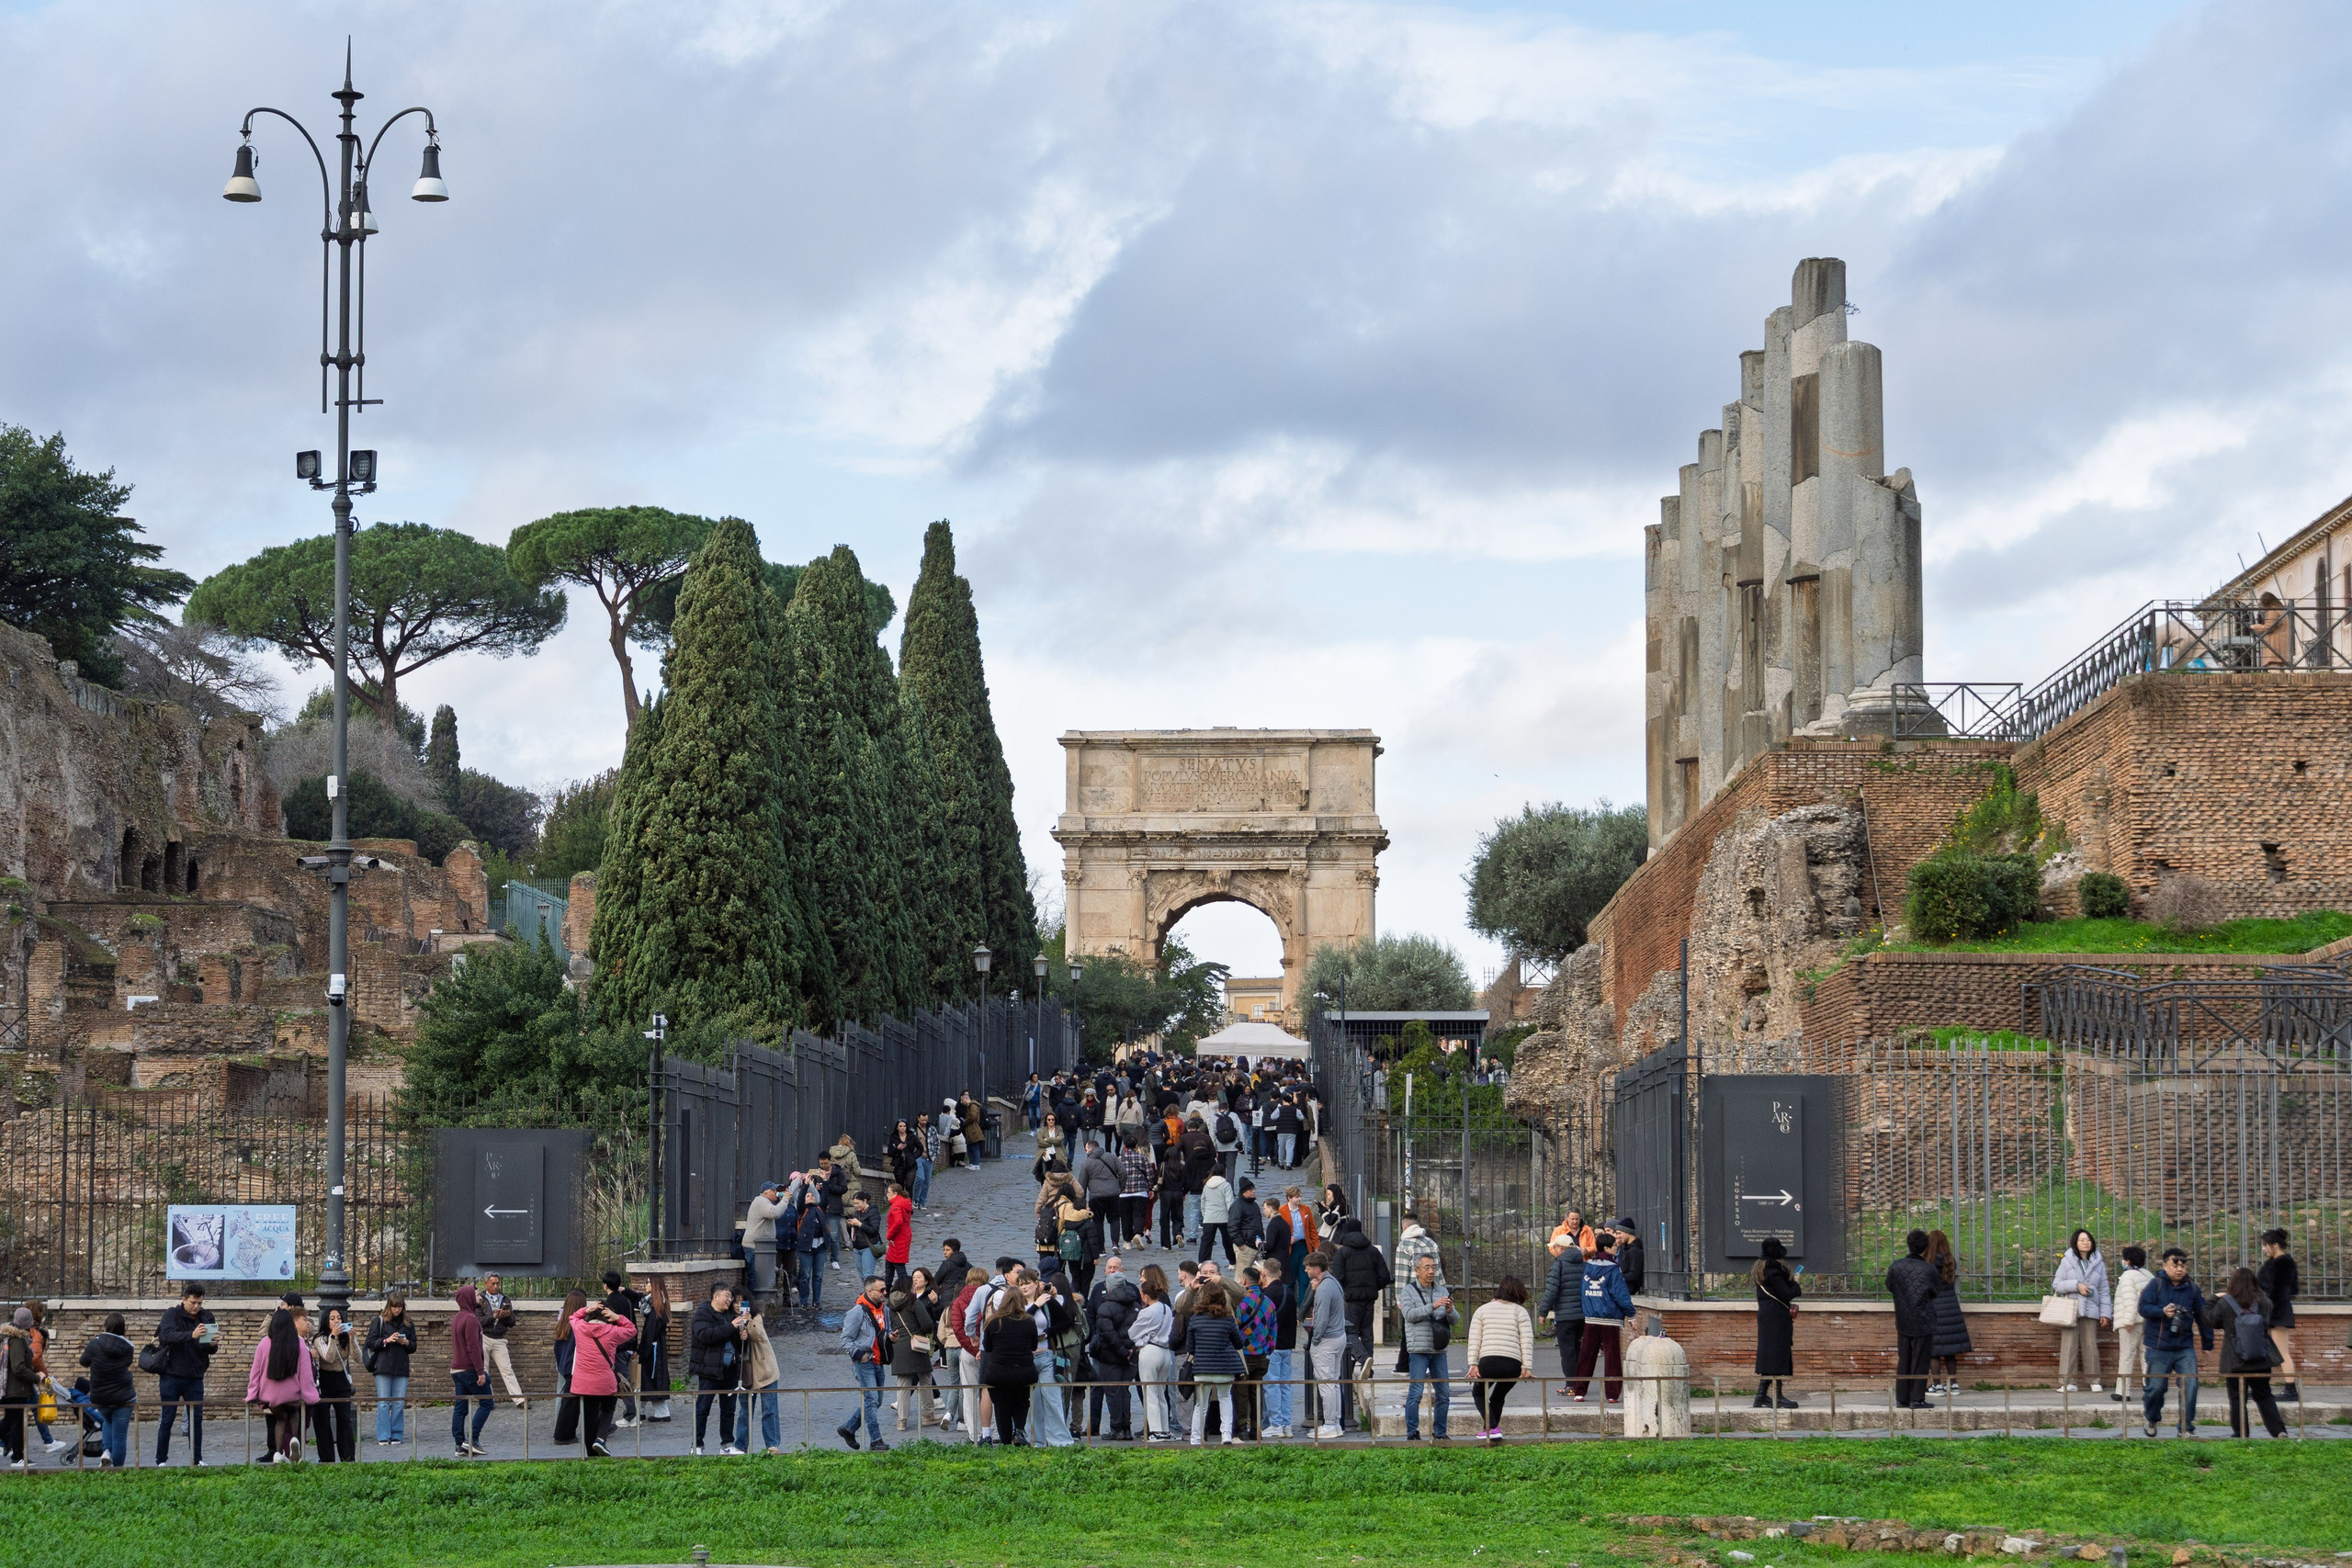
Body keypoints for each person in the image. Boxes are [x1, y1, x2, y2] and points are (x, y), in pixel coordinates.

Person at [2207, 1265, 2287, 1439]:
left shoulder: (2225, 1303)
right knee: (2264, 1395)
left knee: (2237, 1398)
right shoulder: (2264, 1301)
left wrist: (2212, 1298)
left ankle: (2241, 1433)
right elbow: (2266, 1322)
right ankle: (2279, 1431)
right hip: (2261, 1357)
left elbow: (2211, 1319)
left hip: (2234, 1359)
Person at [2139, 1247, 2212, 1437]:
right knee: (2155, 1388)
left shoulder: (2192, 1289)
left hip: (2184, 1347)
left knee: (2190, 1385)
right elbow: (2143, 1308)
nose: (2180, 1268)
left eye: (2183, 1264)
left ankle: (2186, 1428)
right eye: (2175, 1264)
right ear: (2165, 1265)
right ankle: (2152, 1418)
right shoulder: (2155, 1284)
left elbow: (2203, 1316)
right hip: (2158, 1346)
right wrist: (2162, 1312)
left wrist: (2208, 1343)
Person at [154, 1281, 220, 1466]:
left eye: (199, 1303)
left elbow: (208, 1349)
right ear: (184, 1299)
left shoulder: (206, 1316)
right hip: (171, 1375)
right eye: (193, 1303)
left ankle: (197, 1460)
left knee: (196, 1420)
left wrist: (213, 1344)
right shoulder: (171, 1314)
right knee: (167, 1418)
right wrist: (191, 1335)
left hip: (195, 1376)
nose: (196, 1307)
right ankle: (161, 1461)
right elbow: (166, 1336)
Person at [246, 1297, 318, 1464]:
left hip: (270, 1396)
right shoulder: (299, 1343)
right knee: (293, 1413)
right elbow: (306, 1373)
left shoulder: (264, 1343)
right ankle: (295, 1440)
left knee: (280, 1418)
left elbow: (255, 1372)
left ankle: (278, 1453)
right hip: (292, 1393)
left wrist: (252, 1394)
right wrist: (310, 1395)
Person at [1468, 1275, 1535, 1446]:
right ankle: (1491, 1430)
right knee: (1499, 1395)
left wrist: (1473, 1364)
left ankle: (1491, 1427)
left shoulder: (1482, 1310)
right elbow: (1526, 1340)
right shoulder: (1520, 1312)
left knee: (1478, 1393)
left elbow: (1475, 1339)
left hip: (1487, 1363)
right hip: (1512, 1365)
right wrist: (1526, 1366)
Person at [568, 1300, 639, 1458]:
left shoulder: (579, 1328)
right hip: (605, 1382)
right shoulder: (613, 1331)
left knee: (588, 1417)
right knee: (608, 1407)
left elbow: (572, 1317)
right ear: (607, 1317)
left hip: (583, 1383)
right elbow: (632, 1329)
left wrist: (586, 1309)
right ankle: (600, 1439)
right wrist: (618, 1317)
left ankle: (591, 1455)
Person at [1572, 1233, 1634, 1404]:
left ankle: (1579, 1391)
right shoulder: (1613, 1268)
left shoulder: (1588, 1267)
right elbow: (1620, 1294)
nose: (1617, 1246)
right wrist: (1631, 1313)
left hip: (1591, 1318)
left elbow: (1582, 1292)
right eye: (1614, 1245)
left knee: (1586, 1355)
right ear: (1607, 1248)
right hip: (1610, 1319)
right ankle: (1612, 1394)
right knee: (1612, 1357)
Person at [980, 1273, 1041, 1446]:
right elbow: (1034, 1346)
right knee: (1022, 1401)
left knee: (1001, 1407)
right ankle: (1020, 1430)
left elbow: (988, 1347)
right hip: (1024, 1371)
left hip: (999, 1372)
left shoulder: (994, 1321)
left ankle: (1006, 1442)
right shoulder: (1028, 1321)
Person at [1184, 1279, 1248, 1446]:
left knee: (1201, 1405)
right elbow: (1239, 1343)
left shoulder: (1195, 1319)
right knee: (1225, 1398)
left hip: (1202, 1368)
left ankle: (1196, 1438)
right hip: (1225, 1367)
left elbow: (1190, 1348)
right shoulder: (1227, 1319)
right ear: (1222, 1297)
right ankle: (1226, 1435)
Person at [834, 1274, 893, 1450]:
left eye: (885, 1289)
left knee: (875, 1401)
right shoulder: (857, 1312)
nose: (885, 1293)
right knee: (871, 1400)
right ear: (869, 1291)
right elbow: (845, 1339)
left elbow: (886, 1331)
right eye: (881, 1290)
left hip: (879, 1361)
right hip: (864, 1362)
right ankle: (876, 1440)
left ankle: (849, 1428)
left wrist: (892, 1337)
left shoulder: (885, 1310)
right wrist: (859, 1354)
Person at [689, 1283, 747, 1455]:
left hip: (729, 1369)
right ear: (716, 1296)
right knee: (702, 1409)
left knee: (728, 1409)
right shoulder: (703, 1313)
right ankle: (696, 1445)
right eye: (727, 1296)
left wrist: (742, 1336)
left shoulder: (730, 1315)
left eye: (731, 1297)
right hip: (709, 1370)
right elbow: (706, 1336)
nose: (730, 1300)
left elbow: (735, 1342)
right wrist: (731, 1326)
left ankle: (727, 1444)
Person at [1086, 1258, 1140, 1440]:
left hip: (1111, 1356)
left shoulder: (1106, 1307)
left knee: (1113, 1392)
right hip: (1130, 1356)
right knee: (1124, 1391)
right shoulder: (1135, 1305)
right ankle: (1126, 1428)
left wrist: (1123, 1352)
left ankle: (1117, 1428)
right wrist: (1131, 1350)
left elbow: (1108, 1335)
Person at [1885, 1229, 1939, 1411]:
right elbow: (1934, 1292)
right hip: (1923, 1319)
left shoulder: (1896, 1266)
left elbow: (1890, 1286)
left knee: (1904, 1359)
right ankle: (1917, 1398)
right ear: (1925, 1248)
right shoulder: (1930, 1269)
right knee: (1920, 1360)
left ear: (1908, 1245)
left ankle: (1902, 1398)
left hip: (1903, 1319)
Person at [2052, 1228, 2110, 1393]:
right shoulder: (2067, 1261)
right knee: (2069, 1345)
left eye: (2088, 1240)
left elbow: (2104, 1289)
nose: (2085, 1242)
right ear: (2075, 1243)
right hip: (2071, 1308)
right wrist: (2076, 1286)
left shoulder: (2098, 1263)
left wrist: (2105, 1313)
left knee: (2090, 1345)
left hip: (2091, 1308)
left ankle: (2094, 1380)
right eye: (2082, 1240)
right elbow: (2057, 1284)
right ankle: (2067, 1382)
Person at [78, 1313, 136, 1469]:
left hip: (100, 1396)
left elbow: (83, 1361)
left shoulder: (95, 1343)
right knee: (120, 1435)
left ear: (106, 1326)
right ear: (123, 1328)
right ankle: (117, 1469)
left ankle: (106, 1452)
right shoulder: (128, 1347)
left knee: (107, 1421)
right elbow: (127, 1363)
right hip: (124, 1396)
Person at [1750, 1236, 1801, 1409]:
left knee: (1769, 1355)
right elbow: (1786, 1294)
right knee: (1778, 1355)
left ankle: (1761, 1396)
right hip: (1777, 1317)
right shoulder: (1775, 1270)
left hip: (1766, 1316)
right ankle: (1777, 1396)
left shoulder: (1760, 1268)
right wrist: (1795, 1283)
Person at [1303, 1251, 1349, 1438]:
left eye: (1307, 1268)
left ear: (1316, 1270)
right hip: (1339, 1336)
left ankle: (1330, 1424)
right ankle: (1335, 1423)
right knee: (1334, 1382)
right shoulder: (1333, 1282)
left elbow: (1320, 1320)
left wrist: (1315, 1340)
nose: (1305, 1271)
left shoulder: (1322, 1289)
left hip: (1327, 1340)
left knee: (1326, 1384)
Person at [889, 1269, 939, 1434]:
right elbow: (926, 1324)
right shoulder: (913, 1302)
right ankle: (928, 1414)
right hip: (916, 1345)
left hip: (899, 1347)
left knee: (903, 1385)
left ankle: (901, 1421)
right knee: (925, 1378)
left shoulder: (891, 1305)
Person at [1535, 1231, 1586, 1395]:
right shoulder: (1583, 1263)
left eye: (1554, 1247)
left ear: (1561, 1248)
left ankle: (1570, 1385)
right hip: (1583, 1315)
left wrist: (1543, 1312)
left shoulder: (1559, 1265)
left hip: (1565, 1315)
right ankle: (1580, 1384)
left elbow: (1551, 1291)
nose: (1553, 1250)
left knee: (1567, 1351)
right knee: (1578, 1349)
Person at [363, 1292, 414, 1448]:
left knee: (398, 1402)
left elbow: (414, 1346)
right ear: (389, 1307)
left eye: (399, 1307)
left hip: (401, 1366)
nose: (396, 1310)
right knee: (384, 1402)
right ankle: (384, 1435)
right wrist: (387, 1340)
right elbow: (371, 1343)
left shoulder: (408, 1323)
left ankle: (397, 1433)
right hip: (383, 1365)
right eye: (394, 1307)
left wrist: (406, 1342)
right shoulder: (379, 1321)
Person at [310, 1305, 360, 1462]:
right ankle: (326, 1458)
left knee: (344, 1420)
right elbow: (328, 1357)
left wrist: (352, 1339)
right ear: (326, 1321)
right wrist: (332, 1337)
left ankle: (348, 1457)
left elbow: (358, 1357)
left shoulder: (345, 1337)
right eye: (332, 1319)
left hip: (341, 1381)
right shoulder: (320, 1338)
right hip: (324, 1381)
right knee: (322, 1421)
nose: (336, 1321)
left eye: (338, 1318)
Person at [448, 1283, 493, 1457]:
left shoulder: (457, 1318)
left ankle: (459, 1445)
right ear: (468, 1298)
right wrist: (480, 1371)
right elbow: (473, 1347)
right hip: (469, 1370)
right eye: (476, 1295)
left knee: (461, 1407)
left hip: (457, 1370)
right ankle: (472, 1440)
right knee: (487, 1402)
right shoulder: (471, 1319)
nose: (480, 1297)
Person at [1133, 1269, 1178, 1442]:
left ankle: (1156, 1430)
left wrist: (1141, 1339)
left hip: (1150, 1351)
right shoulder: (1166, 1307)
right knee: (1161, 1392)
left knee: (1150, 1392)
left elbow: (1133, 1332)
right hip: (1165, 1352)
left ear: (1145, 1295)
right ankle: (1164, 1429)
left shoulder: (1147, 1310)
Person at [1332, 1215, 1391, 1348]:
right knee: (1367, 1334)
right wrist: (1372, 1287)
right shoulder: (1373, 1251)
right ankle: (1367, 1366)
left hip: (1350, 1299)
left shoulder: (1342, 1252)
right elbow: (1384, 1276)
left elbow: (1337, 1277)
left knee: (1350, 1332)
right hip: (1369, 1298)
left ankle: (1363, 1360)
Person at [2256, 1229, 2301, 1403]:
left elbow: (2283, 1291)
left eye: (2266, 1245)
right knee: (2267, 1352)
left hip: (2277, 1312)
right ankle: (2262, 1387)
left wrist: (2271, 1312)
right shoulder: (2273, 1262)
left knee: (2282, 1352)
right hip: (2270, 1312)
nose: (2264, 1249)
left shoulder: (2284, 1263)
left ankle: (2291, 1389)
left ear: (2275, 1245)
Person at [1926, 1229, 1970, 1398]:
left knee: (1934, 1350)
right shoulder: (1950, 1261)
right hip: (1951, 1307)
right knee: (1950, 1350)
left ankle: (1936, 1386)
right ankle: (1953, 1384)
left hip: (1935, 1307)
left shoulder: (1928, 1263)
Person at [1259, 1255, 1298, 1439]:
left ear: (1263, 1273)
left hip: (1271, 1346)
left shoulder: (1265, 1296)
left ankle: (1275, 1424)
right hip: (1287, 1344)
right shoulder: (1290, 1293)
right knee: (1285, 1385)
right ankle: (1287, 1424)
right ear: (1280, 1273)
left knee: (1272, 1385)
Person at [737, 1305, 784, 1455]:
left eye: (741, 1302)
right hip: (746, 1374)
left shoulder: (757, 1317)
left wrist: (749, 1321)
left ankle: (772, 1444)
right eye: (735, 1302)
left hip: (765, 1371)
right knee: (745, 1411)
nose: (739, 1306)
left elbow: (757, 1335)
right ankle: (741, 1446)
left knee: (769, 1408)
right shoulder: (733, 1320)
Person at [475, 1274, 525, 1409]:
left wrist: (506, 1317)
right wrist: (493, 1316)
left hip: (499, 1338)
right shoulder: (480, 1299)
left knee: (507, 1370)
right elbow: (478, 1321)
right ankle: (488, 1401)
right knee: (484, 1370)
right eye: (492, 1283)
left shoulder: (505, 1299)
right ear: (486, 1284)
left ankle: (519, 1399)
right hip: (484, 1337)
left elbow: (512, 1323)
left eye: (497, 1283)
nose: (496, 1286)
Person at [2111, 1246, 2154, 1405]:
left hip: (2131, 1322)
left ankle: (2122, 1392)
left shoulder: (2127, 1277)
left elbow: (2130, 1301)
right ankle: (2149, 1390)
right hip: (2147, 1321)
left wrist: (2128, 1321)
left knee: (2126, 1356)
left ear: (2127, 1260)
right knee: (2146, 1357)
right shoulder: (2148, 1276)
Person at [551, 1290, 588, 1447]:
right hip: (574, 1367)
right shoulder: (578, 1325)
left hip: (563, 1365)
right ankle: (563, 1434)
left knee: (566, 1399)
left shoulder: (563, 1322)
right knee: (571, 1403)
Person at [745, 1179, 790, 1303]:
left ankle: (758, 1302)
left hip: (762, 1247)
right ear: (766, 1193)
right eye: (774, 1191)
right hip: (755, 1247)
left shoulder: (764, 1201)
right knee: (756, 1277)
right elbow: (775, 1213)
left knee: (759, 1277)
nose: (776, 1193)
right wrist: (785, 1199)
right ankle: (754, 1303)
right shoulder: (761, 1201)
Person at [639, 1277, 673, 1422]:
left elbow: (649, 1332)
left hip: (653, 1348)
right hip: (655, 1347)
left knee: (651, 1378)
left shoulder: (656, 1309)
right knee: (647, 1378)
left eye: (647, 1282)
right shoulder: (657, 1304)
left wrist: (641, 1350)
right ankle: (639, 1408)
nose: (645, 1285)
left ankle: (661, 1412)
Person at [0, 1309, 31, 1469]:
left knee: (10, 1421)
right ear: (27, 1323)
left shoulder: (5, 1337)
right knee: (16, 1423)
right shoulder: (17, 1340)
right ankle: (18, 1457)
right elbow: (18, 1367)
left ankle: (17, 1455)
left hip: (6, 1388)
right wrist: (36, 1377)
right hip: (15, 1389)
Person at [1394, 1208, 1447, 1294]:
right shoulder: (1431, 1243)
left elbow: (1402, 1275)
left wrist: (1399, 1298)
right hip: (1433, 1292)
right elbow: (1438, 1271)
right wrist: (1444, 1294)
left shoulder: (1404, 1245)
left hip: (1413, 1294)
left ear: (1404, 1227)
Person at [795, 1189, 833, 1309]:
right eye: (808, 1196)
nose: (811, 1197)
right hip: (805, 1248)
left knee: (818, 1275)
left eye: (812, 1195)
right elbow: (800, 1199)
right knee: (805, 1275)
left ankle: (817, 1301)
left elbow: (826, 1198)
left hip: (820, 1247)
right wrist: (806, 1184)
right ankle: (804, 1301)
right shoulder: (802, 1210)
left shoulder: (819, 1209)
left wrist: (825, 1181)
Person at [1118, 1136, 1157, 1252]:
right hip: (1140, 1191)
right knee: (1139, 1215)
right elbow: (1150, 1175)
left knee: (1126, 1217)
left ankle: (1127, 1241)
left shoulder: (1119, 1159)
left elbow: (1116, 1175)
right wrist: (1150, 1188)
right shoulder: (1142, 1158)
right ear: (1136, 1146)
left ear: (1124, 1146)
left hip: (1124, 1193)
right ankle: (1138, 1234)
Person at [1198, 1167, 1238, 1265]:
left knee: (1206, 1241)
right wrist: (1232, 1216)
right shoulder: (1226, 1185)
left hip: (1209, 1217)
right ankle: (1232, 1261)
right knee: (1228, 1241)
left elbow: (1203, 1201)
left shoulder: (1206, 1185)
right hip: (1223, 1217)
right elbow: (1229, 1201)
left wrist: (1205, 1214)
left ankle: (1203, 1261)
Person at [885, 1182, 916, 1292]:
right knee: (890, 1263)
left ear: (895, 1193)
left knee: (898, 1265)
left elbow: (898, 1222)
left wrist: (889, 1235)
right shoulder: (904, 1202)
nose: (887, 1195)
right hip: (903, 1236)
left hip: (899, 1237)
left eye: (888, 1193)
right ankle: (887, 1290)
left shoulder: (897, 1205)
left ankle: (906, 1290)